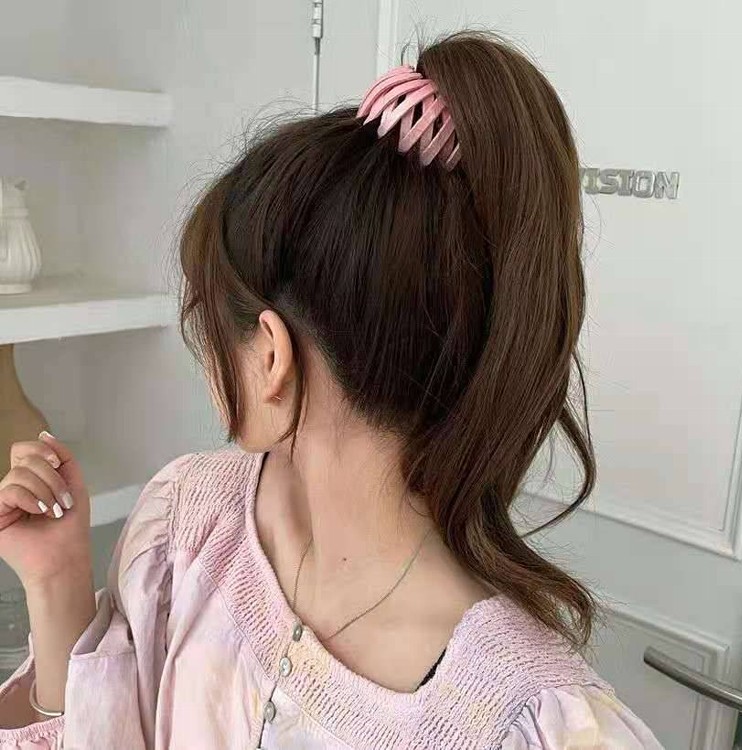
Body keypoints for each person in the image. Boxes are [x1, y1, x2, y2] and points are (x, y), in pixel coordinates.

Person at [0, 30, 663, 750]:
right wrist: (58, 582)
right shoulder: (188, 522)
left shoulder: (529, 723)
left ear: (271, 358)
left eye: (207, 323)